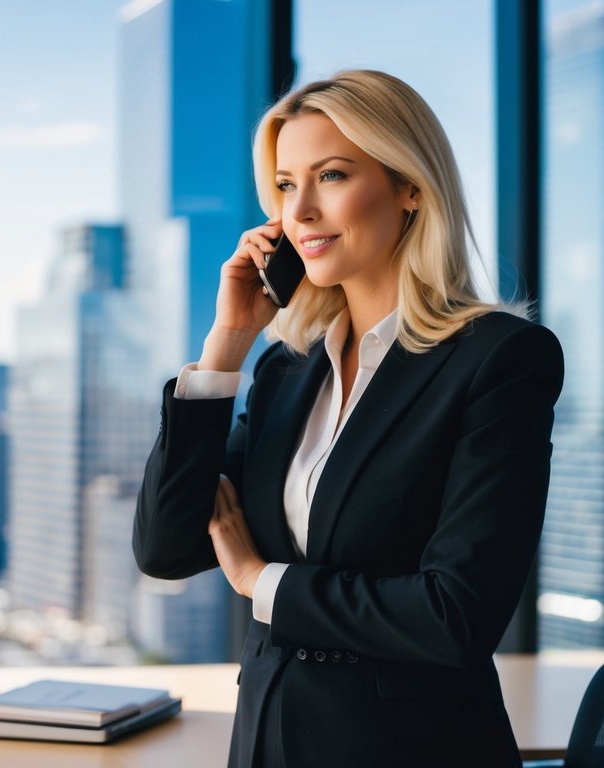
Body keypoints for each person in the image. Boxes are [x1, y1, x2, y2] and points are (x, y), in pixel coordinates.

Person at [134, 70, 565, 768]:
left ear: (411, 188)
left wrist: (258, 581)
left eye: (330, 176)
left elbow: (455, 616)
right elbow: (167, 546)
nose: (298, 210)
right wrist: (226, 346)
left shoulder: (498, 361)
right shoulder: (286, 369)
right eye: (282, 185)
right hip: (269, 744)